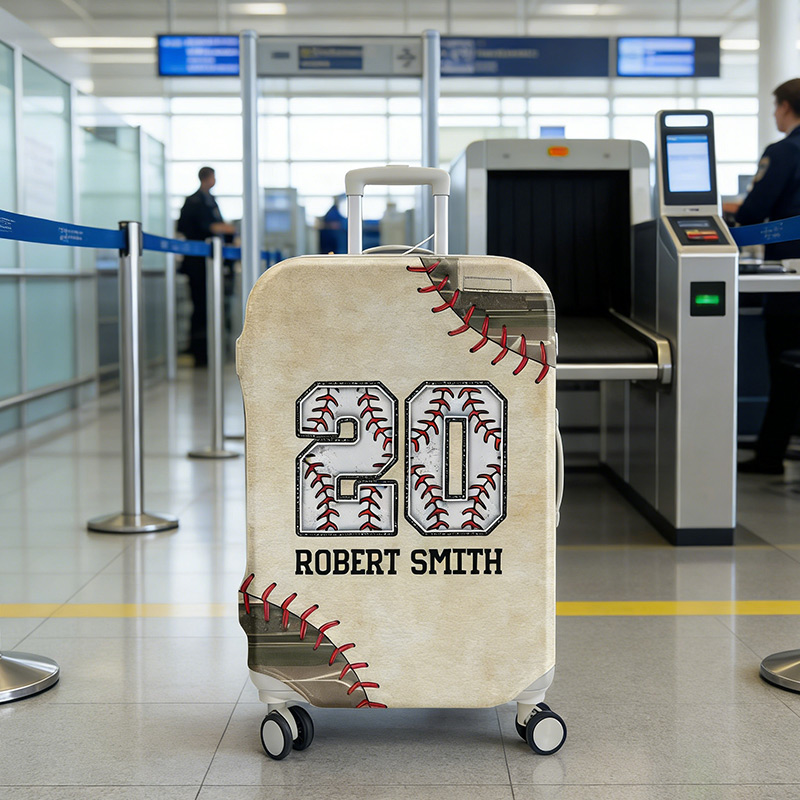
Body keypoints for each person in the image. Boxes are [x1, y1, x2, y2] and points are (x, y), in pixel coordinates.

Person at [727, 79, 800, 474]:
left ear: (787, 107)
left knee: (786, 369)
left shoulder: (784, 150)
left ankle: (771, 455)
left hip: (790, 287)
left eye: (776, 107)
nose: (774, 115)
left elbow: (754, 212)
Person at [176, 166, 236, 367]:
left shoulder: (211, 200)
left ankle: (211, 349)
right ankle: (199, 352)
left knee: (212, 305)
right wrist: (220, 228)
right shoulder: (194, 201)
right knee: (200, 306)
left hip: (211, 262)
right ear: (208, 178)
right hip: (197, 264)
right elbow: (194, 227)